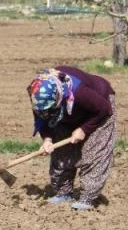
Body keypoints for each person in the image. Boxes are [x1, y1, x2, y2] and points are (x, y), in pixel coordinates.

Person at [28, 66, 117, 211]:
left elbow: (104, 109)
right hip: (67, 112)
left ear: (58, 98)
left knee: (93, 152)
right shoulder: (37, 91)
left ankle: (88, 198)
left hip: (99, 109)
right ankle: (63, 192)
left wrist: (83, 129)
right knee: (61, 152)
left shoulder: (80, 92)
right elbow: (41, 116)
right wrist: (47, 139)